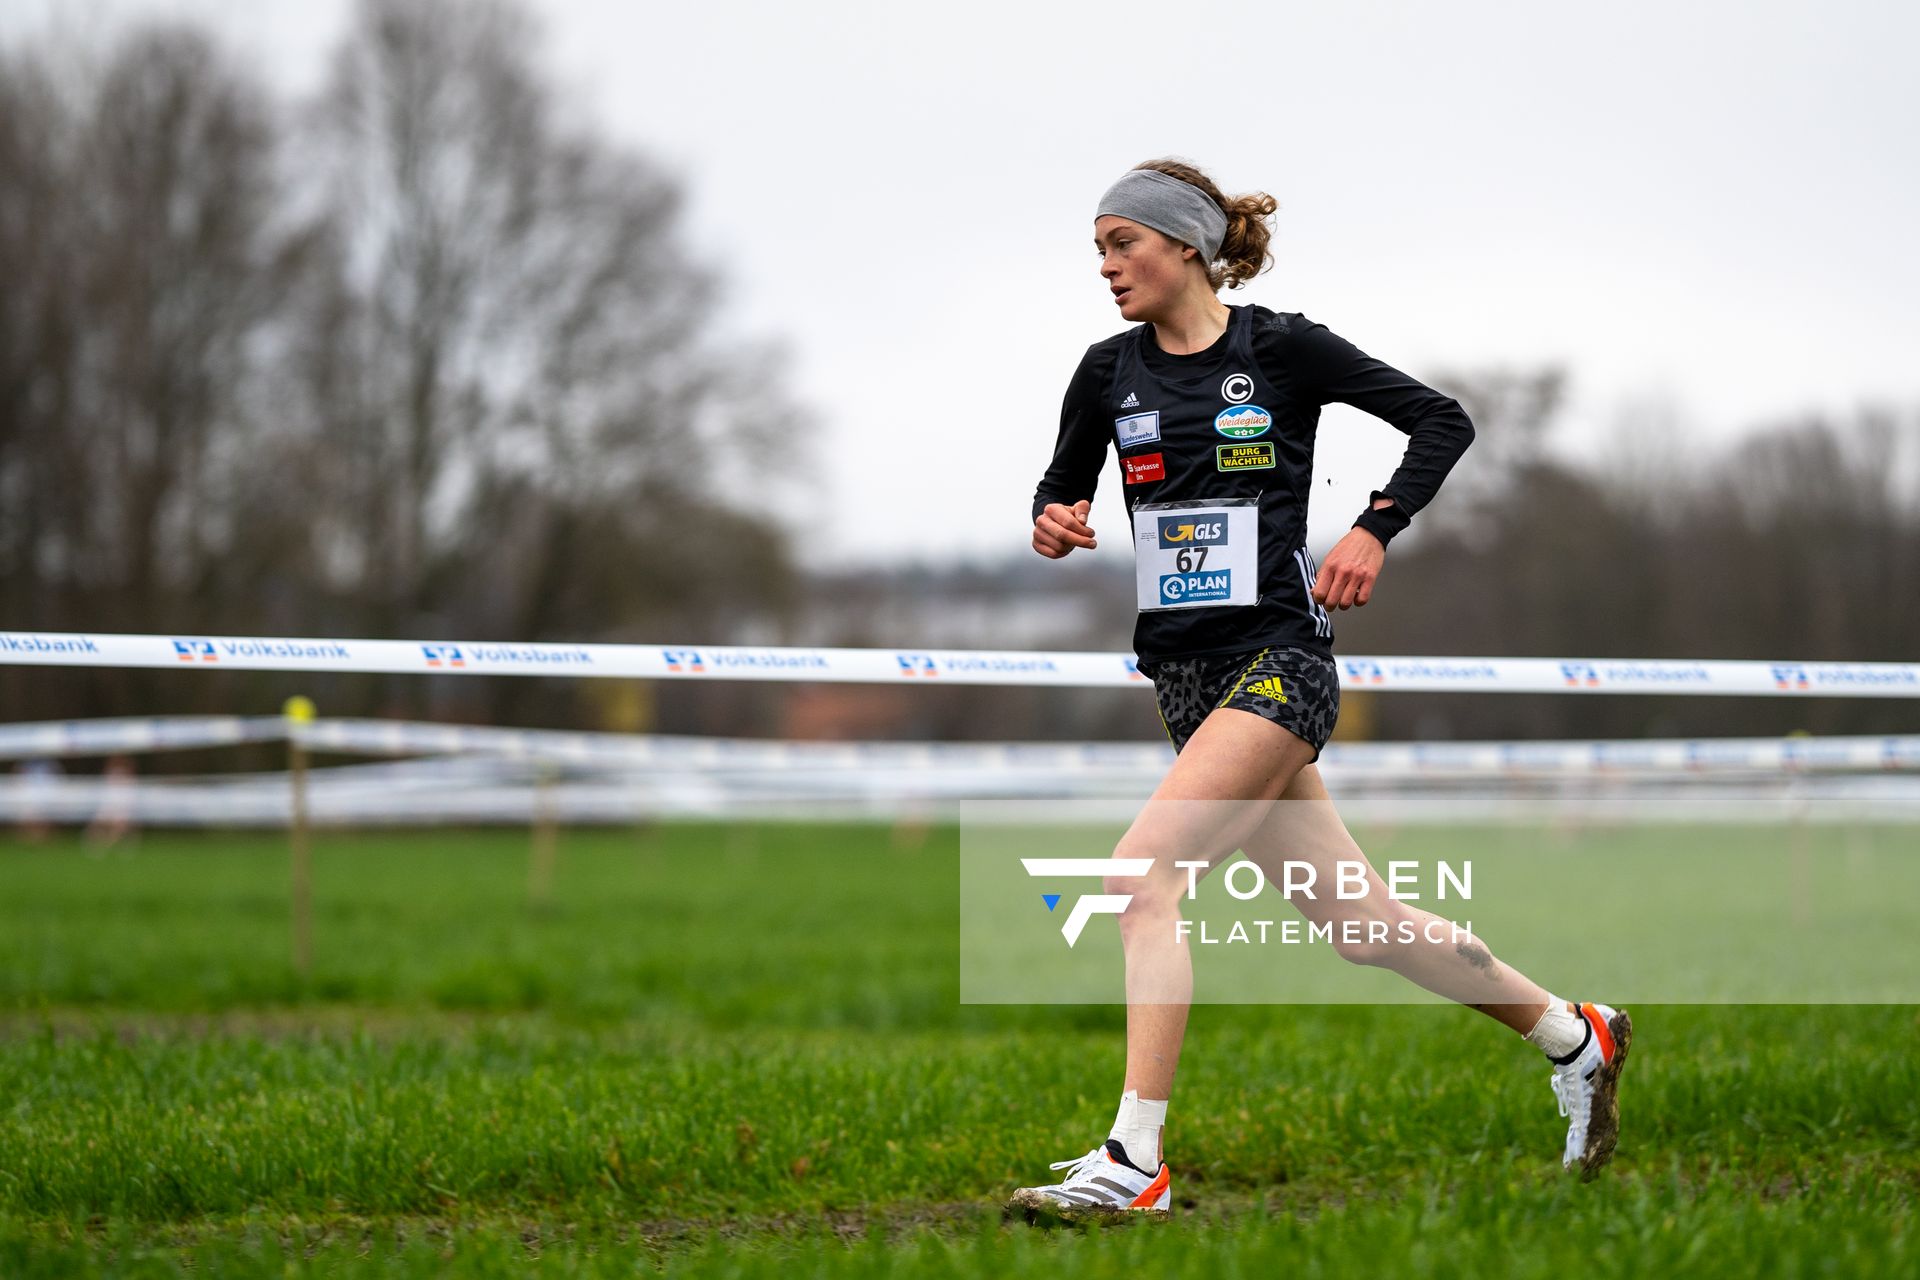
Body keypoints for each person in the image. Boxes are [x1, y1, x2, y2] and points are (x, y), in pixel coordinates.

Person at [1005, 159, 1631, 1224]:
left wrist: (1372, 528)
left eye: (1124, 245)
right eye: (1099, 252)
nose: (1107, 268)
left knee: (1139, 877)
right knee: (1360, 922)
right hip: (1187, 679)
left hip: (1282, 663)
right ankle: (1576, 1035)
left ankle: (1135, 1158)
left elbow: (1442, 421)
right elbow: (1059, 490)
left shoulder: (1281, 348)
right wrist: (1054, 520)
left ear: (1186, 248)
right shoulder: (1105, 371)